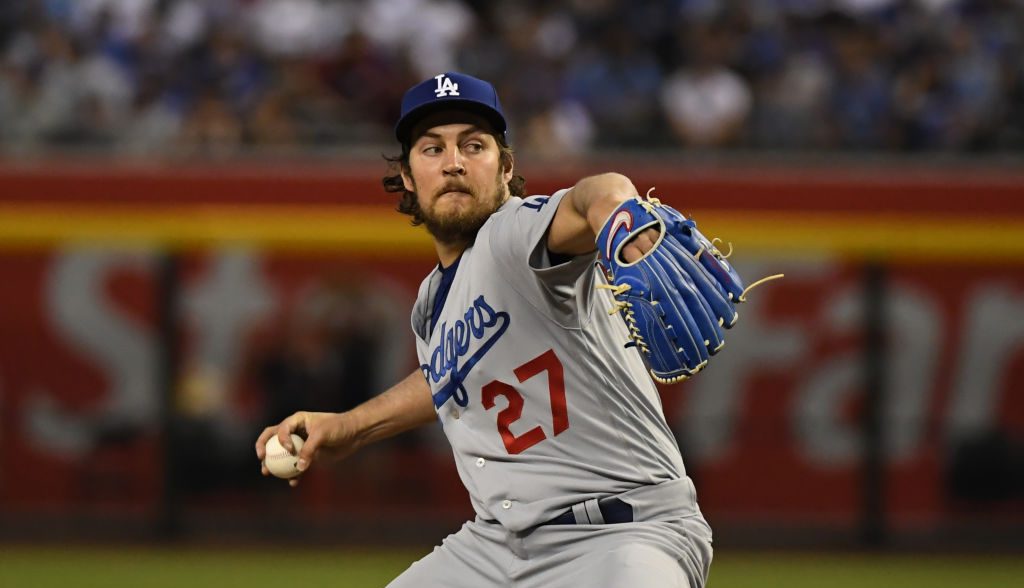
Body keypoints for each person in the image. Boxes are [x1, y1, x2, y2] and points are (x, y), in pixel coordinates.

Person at [256, 72, 714, 587]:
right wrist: (352, 425)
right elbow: (447, 378)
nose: (453, 162)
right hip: (496, 548)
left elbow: (595, 193)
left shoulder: (514, 234)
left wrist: (616, 210)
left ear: (506, 168)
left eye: (474, 146)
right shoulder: (432, 304)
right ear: (408, 176)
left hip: (623, 535)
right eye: (432, 149)